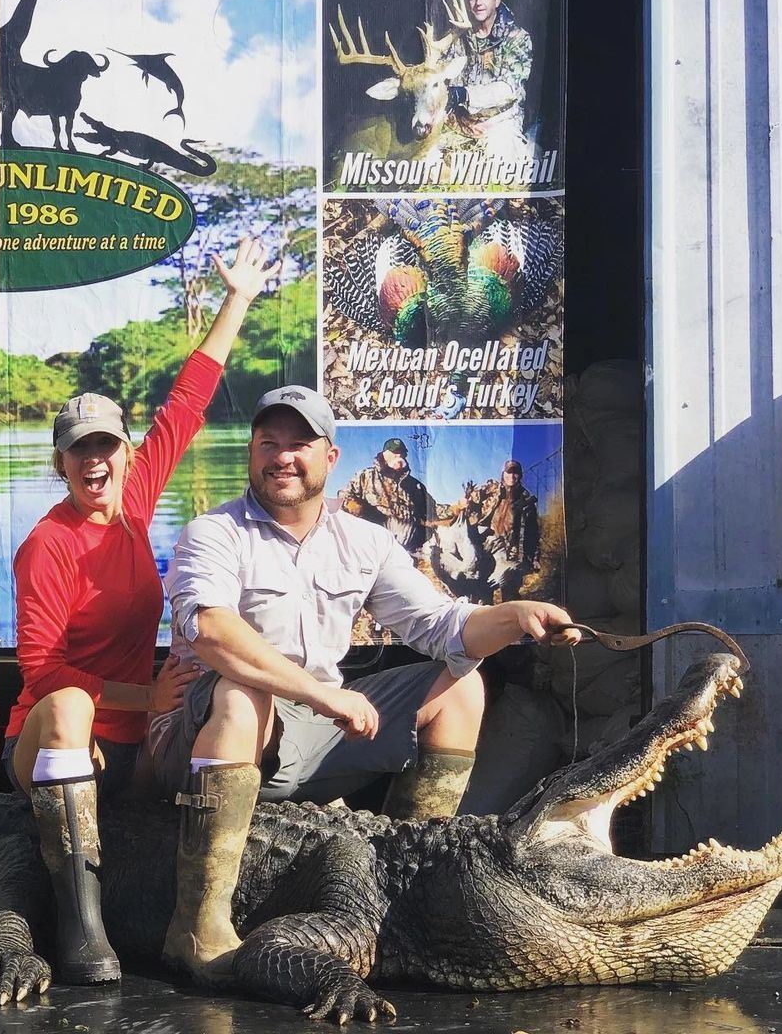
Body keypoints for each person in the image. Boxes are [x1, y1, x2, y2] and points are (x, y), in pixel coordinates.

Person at [146, 387, 578, 983]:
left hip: (317, 727)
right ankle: (197, 929)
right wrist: (322, 694)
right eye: (268, 443)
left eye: (300, 444)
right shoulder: (212, 532)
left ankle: (411, 891)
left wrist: (516, 616)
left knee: (461, 686)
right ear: (251, 453)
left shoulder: (365, 540)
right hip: (213, 734)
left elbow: (441, 626)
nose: (282, 457)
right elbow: (214, 633)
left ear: (330, 457)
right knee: (243, 694)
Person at [4, 237, 276, 987]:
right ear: (59, 463)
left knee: (224, 689)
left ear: (126, 454)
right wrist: (139, 697)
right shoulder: (46, 545)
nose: (95, 460)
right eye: (79, 450)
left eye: (107, 447)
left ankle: (201, 919)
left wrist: (237, 299)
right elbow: (40, 671)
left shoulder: (136, 503)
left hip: (134, 743)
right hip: (56, 740)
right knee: (66, 701)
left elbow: (187, 402)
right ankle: (80, 930)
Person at [444, 0, 533, 155]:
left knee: (496, 155)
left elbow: (508, 90)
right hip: (461, 123)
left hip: (500, 122)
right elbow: (441, 80)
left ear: (497, 0)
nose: (478, 3)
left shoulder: (517, 37)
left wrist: (463, 94)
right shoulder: (457, 38)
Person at [339, 435, 434, 556]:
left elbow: (432, 509)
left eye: (402, 453)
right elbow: (343, 496)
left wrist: (454, 508)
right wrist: (354, 506)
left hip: (407, 550)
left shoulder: (415, 485)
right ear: (384, 454)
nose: (399, 456)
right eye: (395, 453)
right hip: (372, 546)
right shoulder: (365, 476)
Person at [461, 458, 541, 602]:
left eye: (515, 473)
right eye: (509, 472)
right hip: (488, 545)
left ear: (520, 475)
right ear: (503, 473)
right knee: (482, 588)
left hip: (510, 552)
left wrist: (535, 558)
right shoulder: (493, 489)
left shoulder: (526, 500)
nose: (512, 476)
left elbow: (533, 532)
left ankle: (509, 614)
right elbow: (474, 498)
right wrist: (468, 502)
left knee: (510, 591)